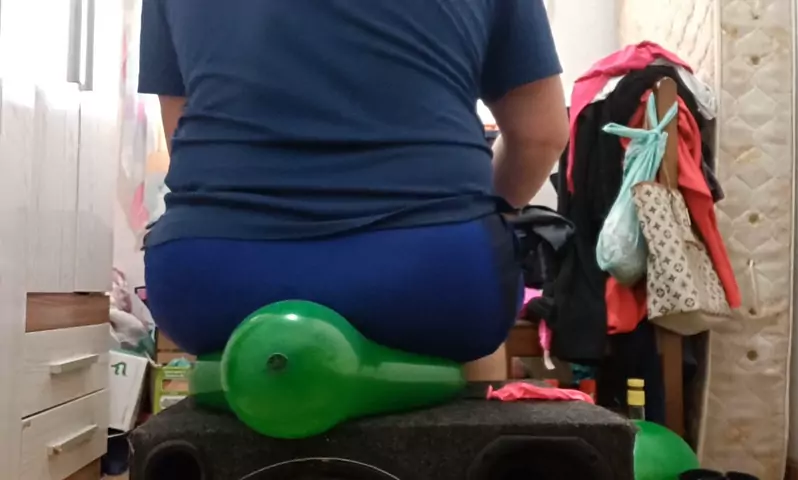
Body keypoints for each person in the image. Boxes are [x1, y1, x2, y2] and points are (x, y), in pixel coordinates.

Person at [140, 0, 568, 363]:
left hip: (209, 278)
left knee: (228, 377)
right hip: (436, 277)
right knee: (473, 279)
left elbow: (183, 137)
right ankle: (466, 426)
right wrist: (472, 218)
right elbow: (540, 136)